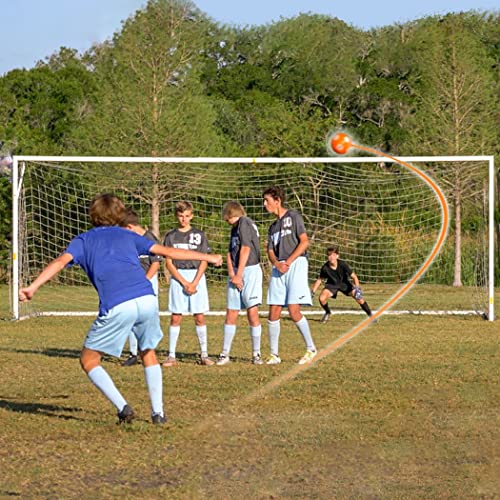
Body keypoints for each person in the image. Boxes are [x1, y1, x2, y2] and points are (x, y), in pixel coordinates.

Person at [19, 193, 222, 425]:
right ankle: (158, 414)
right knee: (148, 352)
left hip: (118, 302)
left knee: (89, 360)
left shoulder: (83, 241)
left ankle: (123, 408)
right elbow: (169, 252)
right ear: (120, 215)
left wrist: (33, 287)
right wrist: (208, 256)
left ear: (92, 215)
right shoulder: (129, 235)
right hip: (146, 298)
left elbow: (59, 262)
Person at [262, 186, 317, 365]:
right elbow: (270, 250)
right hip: (280, 267)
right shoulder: (272, 227)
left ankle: (311, 349)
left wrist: (289, 261)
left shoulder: (293, 217)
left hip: (296, 264)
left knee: (294, 310)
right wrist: (277, 263)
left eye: (267, 201)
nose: (264, 204)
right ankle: (274, 354)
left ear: (277, 201)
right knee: (273, 311)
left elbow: (304, 241)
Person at [162, 201, 214, 367]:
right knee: (176, 316)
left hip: (197, 277)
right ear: (176, 216)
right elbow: (168, 262)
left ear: (191, 216)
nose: (183, 219)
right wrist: (184, 282)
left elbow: (204, 260)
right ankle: (171, 355)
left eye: (186, 216)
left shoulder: (199, 235)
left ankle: (204, 354)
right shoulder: (170, 236)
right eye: (180, 216)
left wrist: (195, 281)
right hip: (179, 278)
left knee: (199, 316)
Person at [216, 201, 263, 366]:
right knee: (231, 313)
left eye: (226, 217)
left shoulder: (244, 222)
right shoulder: (234, 228)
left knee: (252, 312)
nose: (225, 220)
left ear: (231, 214)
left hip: (249, 270)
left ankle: (256, 354)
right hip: (237, 272)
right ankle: (225, 353)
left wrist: (240, 274)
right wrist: (232, 273)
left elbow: (246, 249)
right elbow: (230, 252)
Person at [121, 208, 162, 367]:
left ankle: (148, 351)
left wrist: (144, 281)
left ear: (130, 227)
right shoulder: (128, 240)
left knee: (147, 317)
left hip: (147, 281)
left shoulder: (149, 238)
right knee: (131, 316)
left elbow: (156, 263)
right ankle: (133, 353)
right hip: (131, 281)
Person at [311, 245, 373, 323]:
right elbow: (319, 280)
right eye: (329, 255)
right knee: (321, 298)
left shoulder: (343, 264)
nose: (331, 257)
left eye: (333, 255)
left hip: (344, 284)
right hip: (332, 285)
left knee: (359, 298)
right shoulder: (325, 268)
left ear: (337, 256)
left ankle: (370, 315)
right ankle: (327, 312)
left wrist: (357, 289)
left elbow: (354, 277)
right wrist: (312, 292)